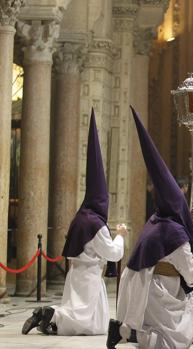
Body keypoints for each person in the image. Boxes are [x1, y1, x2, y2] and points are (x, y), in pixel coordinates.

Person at [106, 107, 193, 349]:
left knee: (160, 335)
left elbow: (175, 245)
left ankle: (124, 331)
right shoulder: (174, 232)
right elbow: (190, 269)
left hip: (145, 291)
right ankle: (124, 332)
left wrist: (192, 223)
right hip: (157, 292)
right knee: (176, 341)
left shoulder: (157, 220)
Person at [22, 110, 125, 336]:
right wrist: (120, 235)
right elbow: (113, 254)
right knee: (83, 320)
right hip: (87, 277)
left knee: (92, 324)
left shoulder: (80, 217)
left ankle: (49, 320)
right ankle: (50, 314)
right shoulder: (96, 224)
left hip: (76, 274)